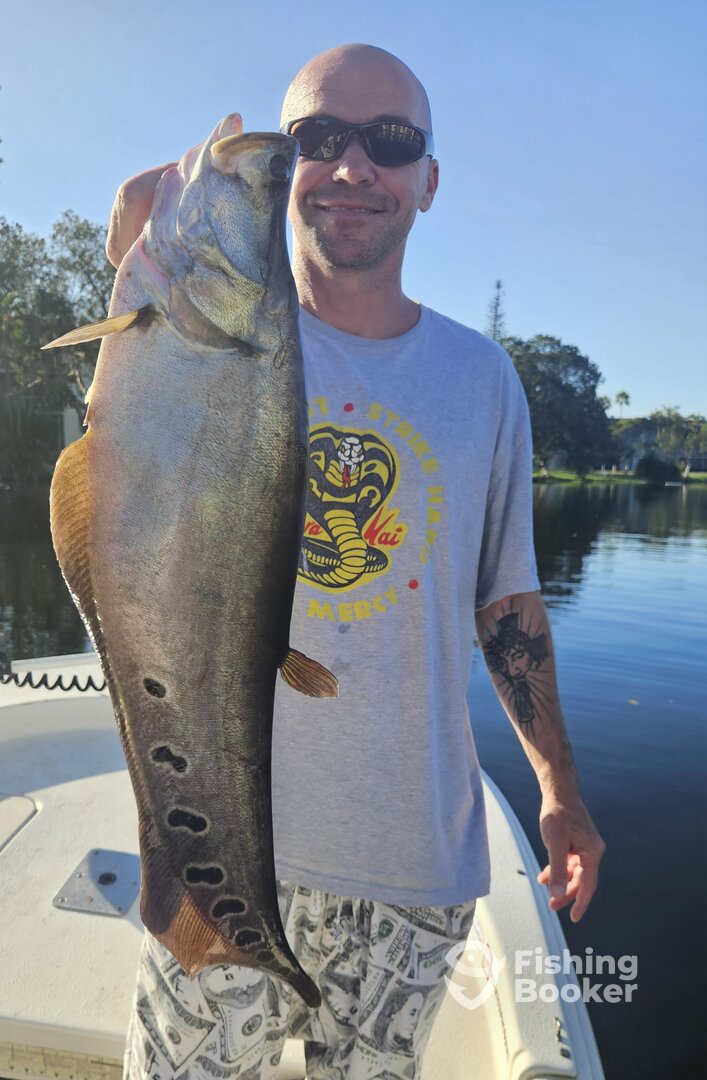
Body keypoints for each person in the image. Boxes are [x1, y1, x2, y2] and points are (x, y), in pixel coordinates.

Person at [108, 43, 605, 1080]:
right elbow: (119, 492)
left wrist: (556, 786)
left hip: (412, 868)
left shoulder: (481, 379)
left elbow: (507, 604)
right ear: (290, 168)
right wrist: (130, 276)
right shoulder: (198, 329)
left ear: (428, 180)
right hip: (216, 845)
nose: (350, 166)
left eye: (389, 141)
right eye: (318, 137)